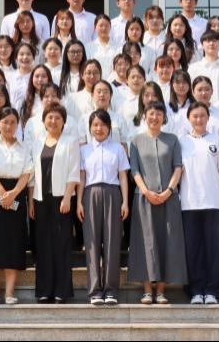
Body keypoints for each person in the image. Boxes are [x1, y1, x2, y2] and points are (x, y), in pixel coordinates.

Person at [128, 102, 186, 304]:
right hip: (143, 199)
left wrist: (169, 190)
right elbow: (134, 170)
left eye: (159, 114)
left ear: (164, 117)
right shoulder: (135, 141)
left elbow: (178, 167)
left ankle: (161, 290)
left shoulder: (172, 140)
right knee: (145, 242)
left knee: (167, 241)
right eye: (151, 113)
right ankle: (147, 290)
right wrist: (146, 191)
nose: (155, 117)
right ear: (145, 116)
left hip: (169, 199)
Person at [77, 110, 130, 306]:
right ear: (90, 128)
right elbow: (82, 178)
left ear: (109, 127)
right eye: (95, 125)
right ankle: (94, 291)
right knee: (92, 244)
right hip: (90, 194)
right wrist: (79, 202)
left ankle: (111, 290)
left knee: (112, 242)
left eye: (103, 125)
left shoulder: (118, 149)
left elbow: (123, 176)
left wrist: (125, 202)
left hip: (113, 193)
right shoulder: (84, 150)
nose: (99, 128)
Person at [178, 102, 219, 305]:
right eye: (195, 116)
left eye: (202, 116)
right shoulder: (181, 142)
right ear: (189, 119)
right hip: (189, 203)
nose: (199, 119)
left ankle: (212, 291)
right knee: (192, 249)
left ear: (208, 118)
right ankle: (195, 290)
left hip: (214, 202)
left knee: (214, 249)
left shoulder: (218, 140)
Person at [28, 103, 81, 303]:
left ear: (64, 122)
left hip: (62, 199)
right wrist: (31, 202)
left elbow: (74, 171)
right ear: (44, 121)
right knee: (43, 244)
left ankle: (61, 291)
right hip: (40, 199)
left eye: (58, 117)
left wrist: (68, 197)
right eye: (50, 117)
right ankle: (44, 290)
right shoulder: (37, 143)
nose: (53, 121)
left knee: (61, 244)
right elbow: (32, 175)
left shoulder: (70, 141)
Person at [0, 107, 32, 304]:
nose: (8, 126)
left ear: (18, 125)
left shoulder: (24, 147)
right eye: (5, 122)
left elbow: (27, 172)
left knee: (14, 242)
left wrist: (13, 193)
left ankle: (9, 292)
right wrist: (3, 193)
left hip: (16, 193)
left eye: (12, 122)